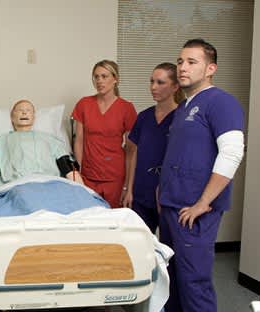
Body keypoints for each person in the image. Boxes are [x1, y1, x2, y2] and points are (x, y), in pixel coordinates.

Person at [158, 39, 245, 312]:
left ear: (210, 69)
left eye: (191, 62)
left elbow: (232, 154)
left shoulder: (221, 102)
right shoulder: (183, 107)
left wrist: (203, 202)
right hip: (173, 204)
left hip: (195, 209)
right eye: (180, 61)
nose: (182, 67)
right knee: (170, 279)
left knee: (194, 281)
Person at [121, 63, 184, 232]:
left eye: (160, 82)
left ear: (175, 86)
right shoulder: (144, 117)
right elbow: (134, 153)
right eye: (151, 81)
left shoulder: (181, 118)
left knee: (169, 247)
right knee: (138, 243)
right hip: (140, 191)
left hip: (167, 194)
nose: (153, 87)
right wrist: (128, 189)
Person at [72, 60, 137, 208]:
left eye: (104, 76)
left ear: (115, 79)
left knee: (112, 222)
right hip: (88, 175)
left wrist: (127, 187)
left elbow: (131, 150)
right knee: (88, 219)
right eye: (96, 77)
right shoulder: (84, 104)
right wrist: (78, 175)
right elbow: (79, 141)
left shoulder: (126, 108)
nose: (99, 81)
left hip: (115, 177)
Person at [0, 99, 83, 189]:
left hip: (50, 185)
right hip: (16, 186)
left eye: (28, 110)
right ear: (12, 117)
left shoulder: (51, 140)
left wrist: (83, 190)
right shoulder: (0, 141)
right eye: (19, 110)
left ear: (34, 117)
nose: (24, 112)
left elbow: (68, 168)